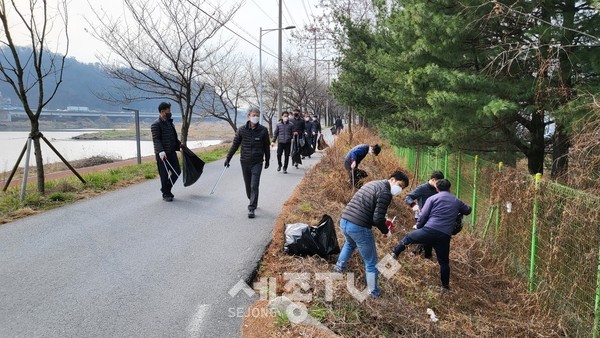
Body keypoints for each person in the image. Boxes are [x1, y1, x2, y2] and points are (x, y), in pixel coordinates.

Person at [332, 171, 410, 298]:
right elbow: (377, 219)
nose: (399, 189)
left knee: (350, 244)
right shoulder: (385, 193)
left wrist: (384, 221)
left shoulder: (373, 183)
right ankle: (373, 292)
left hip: (345, 220)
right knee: (371, 261)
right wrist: (386, 231)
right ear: (392, 179)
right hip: (359, 227)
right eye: (399, 185)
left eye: (402, 188)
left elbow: (370, 208)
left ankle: (339, 268)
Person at [391, 179, 472, 292]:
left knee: (408, 237)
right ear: (449, 188)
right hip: (444, 236)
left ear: (437, 189)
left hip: (429, 230)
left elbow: (423, 215)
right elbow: (468, 210)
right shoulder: (456, 201)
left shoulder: (432, 198)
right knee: (444, 262)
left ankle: (394, 254)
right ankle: (445, 287)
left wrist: (419, 226)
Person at [224, 107, 271, 218]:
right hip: (244, 162)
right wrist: (228, 158)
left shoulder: (263, 130)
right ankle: (252, 199)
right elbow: (235, 145)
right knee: (248, 186)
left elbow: (266, 147)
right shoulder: (241, 130)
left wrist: (267, 160)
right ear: (248, 116)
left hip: (257, 162)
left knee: (254, 185)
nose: (256, 117)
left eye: (257, 115)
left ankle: (251, 208)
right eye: (254, 115)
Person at [405, 171, 445, 258]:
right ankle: (421, 254)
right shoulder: (422, 188)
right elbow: (408, 197)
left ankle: (424, 254)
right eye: (438, 182)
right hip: (422, 217)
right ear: (433, 180)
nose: (440, 185)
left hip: (433, 217)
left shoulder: (438, 190)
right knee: (426, 237)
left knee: (429, 238)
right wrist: (413, 205)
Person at [151, 102, 183, 202]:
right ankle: (166, 194)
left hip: (172, 152)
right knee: (164, 175)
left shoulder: (169, 122)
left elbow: (173, 137)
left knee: (177, 172)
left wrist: (179, 144)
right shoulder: (156, 124)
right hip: (162, 154)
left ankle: (166, 189)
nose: (170, 113)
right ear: (162, 111)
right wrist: (160, 151)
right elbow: (156, 139)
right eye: (168, 111)